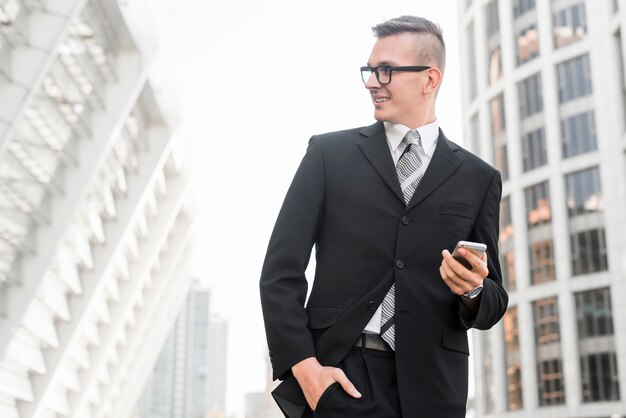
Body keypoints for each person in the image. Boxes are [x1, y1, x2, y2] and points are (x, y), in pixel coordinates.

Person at [259, 15, 508, 418]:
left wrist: (474, 289)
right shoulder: (327, 156)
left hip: (434, 392)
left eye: (386, 71)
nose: (372, 82)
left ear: (430, 79)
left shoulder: (479, 179)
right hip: (339, 380)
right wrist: (306, 369)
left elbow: (494, 299)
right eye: (370, 70)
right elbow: (279, 274)